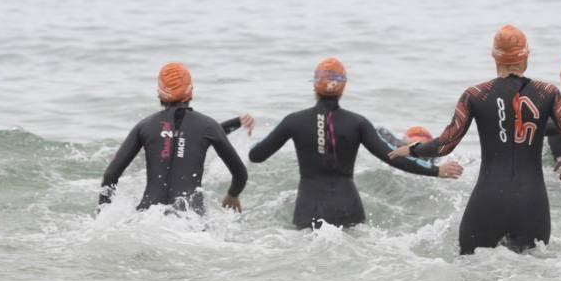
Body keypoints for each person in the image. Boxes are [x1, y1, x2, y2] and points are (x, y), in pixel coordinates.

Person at [390, 25, 561, 254]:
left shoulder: (475, 94)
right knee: (530, 278)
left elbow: (444, 144)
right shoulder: (548, 92)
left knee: (470, 275)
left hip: (488, 202)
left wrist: (412, 149)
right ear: (526, 56)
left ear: (494, 56)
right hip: (532, 205)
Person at [248, 58, 461, 229]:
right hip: (348, 209)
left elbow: (256, 154)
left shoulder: (293, 121)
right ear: (343, 87)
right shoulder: (357, 123)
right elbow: (392, 155)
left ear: (315, 84)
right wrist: (436, 170)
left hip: (307, 209)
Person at [99, 62, 249, 214]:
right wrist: (233, 194)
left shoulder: (144, 126)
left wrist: (102, 216)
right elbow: (240, 174)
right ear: (191, 92)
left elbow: (110, 175)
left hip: (148, 216)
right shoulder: (208, 126)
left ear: (159, 94)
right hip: (189, 219)